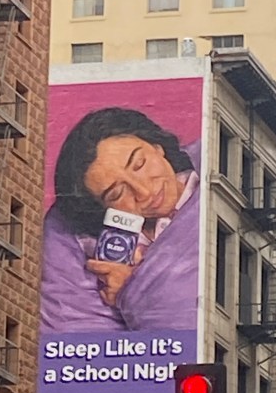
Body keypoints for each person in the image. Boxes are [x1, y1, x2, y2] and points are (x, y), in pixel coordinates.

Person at [41, 107, 200, 332]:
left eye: (139, 164)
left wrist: (131, 290)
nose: (144, 192)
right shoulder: (97, 250)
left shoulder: (208, 192)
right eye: (116, 194)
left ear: (157, 147)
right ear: (103, 209)